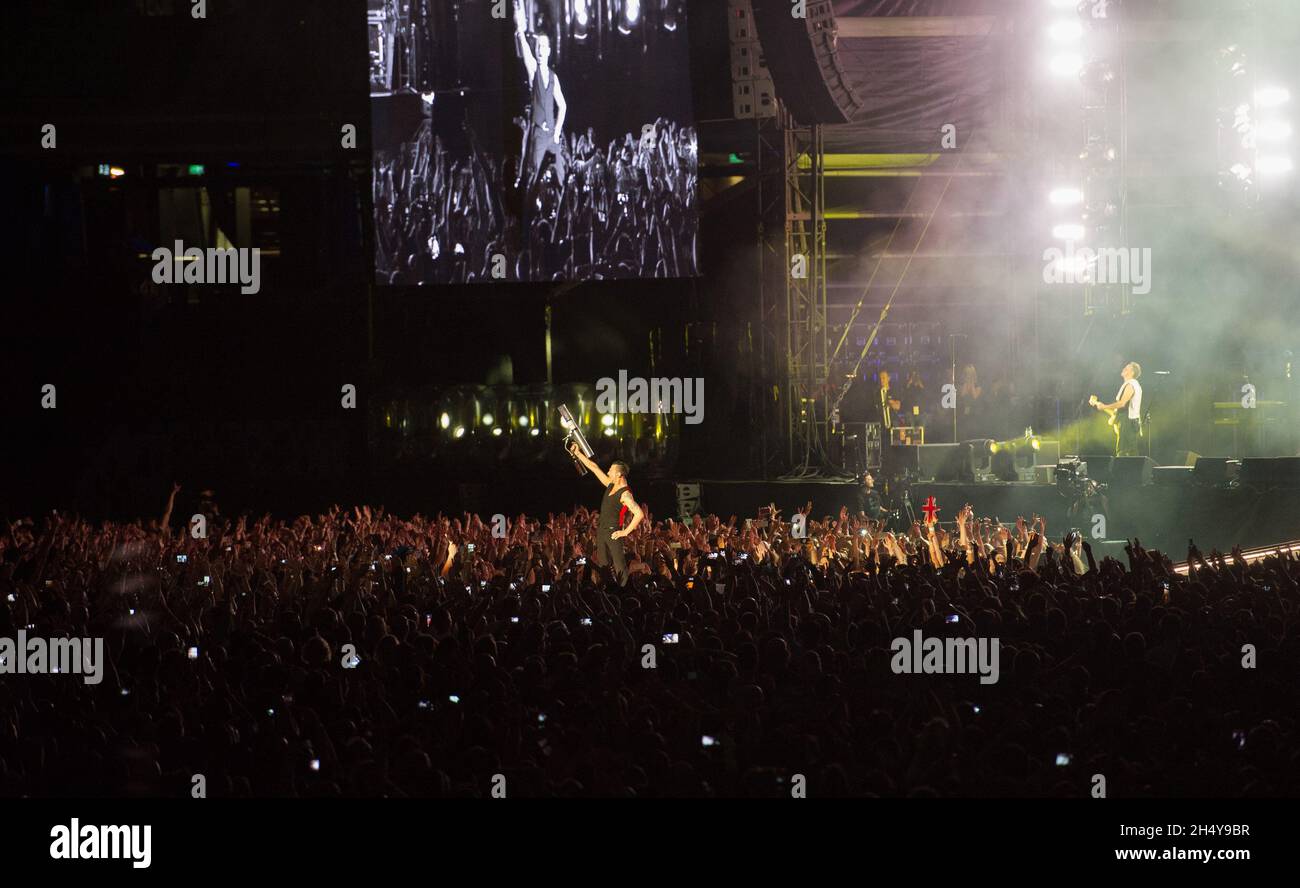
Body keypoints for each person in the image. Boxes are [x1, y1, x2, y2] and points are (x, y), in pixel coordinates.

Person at [567, 442, 643, 587]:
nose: (608, 473)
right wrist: (578, 453)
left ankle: (623, 592)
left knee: (619, 565)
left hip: (613, 532)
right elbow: (594, 468)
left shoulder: (625, 494)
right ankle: (607, 590)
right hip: (601, 531)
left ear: (619, 474)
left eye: (611, 471)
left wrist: (624, 532)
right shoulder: (610, 485)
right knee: (604, 567)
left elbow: (639, 514)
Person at [513, 0, 567, 189]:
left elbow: (563, 106)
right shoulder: (533, 71)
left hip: (552, 135)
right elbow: (525, 49)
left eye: (544, 47)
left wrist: (558, 131)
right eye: (538, 47)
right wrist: (520, 30)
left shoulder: (554, 77)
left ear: (549, 50)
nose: (541, 50)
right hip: (538, 136)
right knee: (534, 179)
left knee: (561, 179)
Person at [1090, 361, 1143, 457]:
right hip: (1129, 421)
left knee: (1122, 451)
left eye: (1126, 368)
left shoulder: (1130, 385)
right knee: (1131, 452)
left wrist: (1104, 407)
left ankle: (1121, 471)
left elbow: (1122, 404)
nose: (1123, 369)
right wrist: (1099, 404)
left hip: (1127, 422)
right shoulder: (1133, 384)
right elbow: (1121, 409)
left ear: (1131, 373)